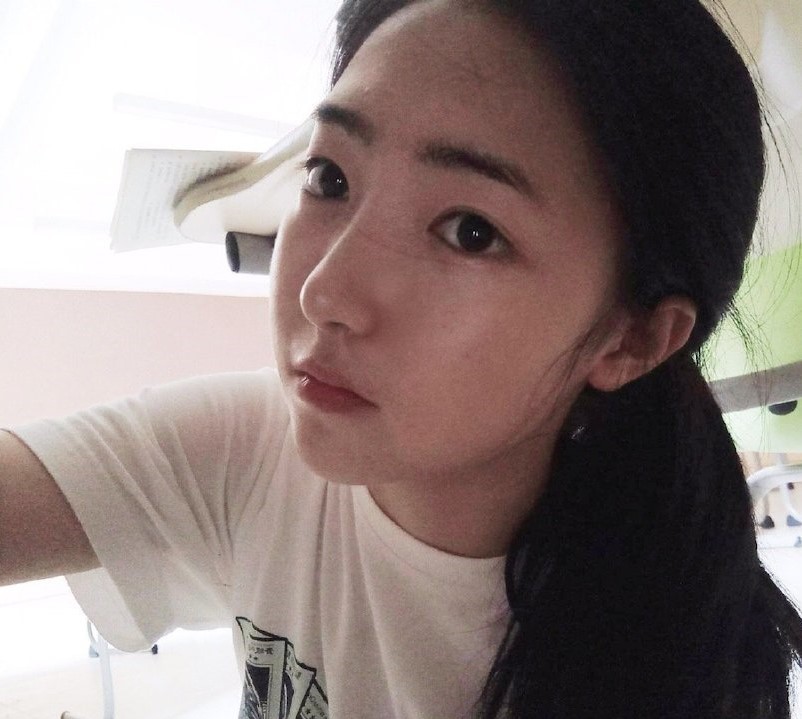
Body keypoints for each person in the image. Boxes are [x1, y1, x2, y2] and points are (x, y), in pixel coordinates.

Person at [2, 0, 802, 716]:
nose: (323, 290)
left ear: (629, 339)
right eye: (329, 177)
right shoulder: (247, 452)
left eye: (470, 232)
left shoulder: (668, 669)